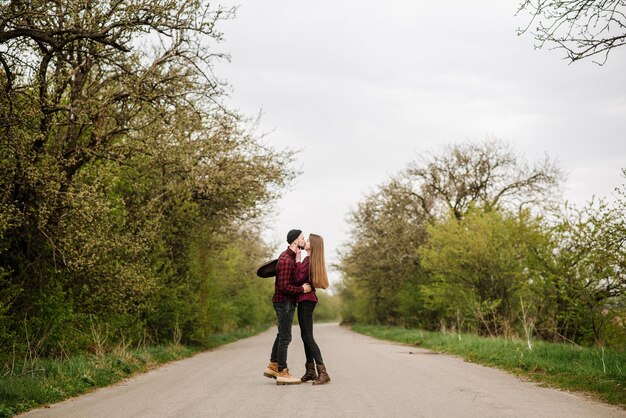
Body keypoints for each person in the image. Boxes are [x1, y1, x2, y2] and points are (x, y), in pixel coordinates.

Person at [263, 229, 311, 385]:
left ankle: (273, 364)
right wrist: (302, 290)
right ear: (295, 241)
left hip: (286, 302)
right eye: (303, 238)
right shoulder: (285, 260)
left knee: (281, 333)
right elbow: (283, 286)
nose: (304, 241)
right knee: (285, 337)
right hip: (284, 302)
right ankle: (282, 372)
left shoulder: (290, 257)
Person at [294, 233, 331, 385]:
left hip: (306, 300)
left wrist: (296, 259)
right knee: (305, 335)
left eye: (308, 240)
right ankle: (310, 371)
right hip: (307, 300)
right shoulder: (311, 260)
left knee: (308, 336)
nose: (306, 242)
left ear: (313, 245)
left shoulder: (308, 261)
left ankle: (323, 372)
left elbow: (296, 278)